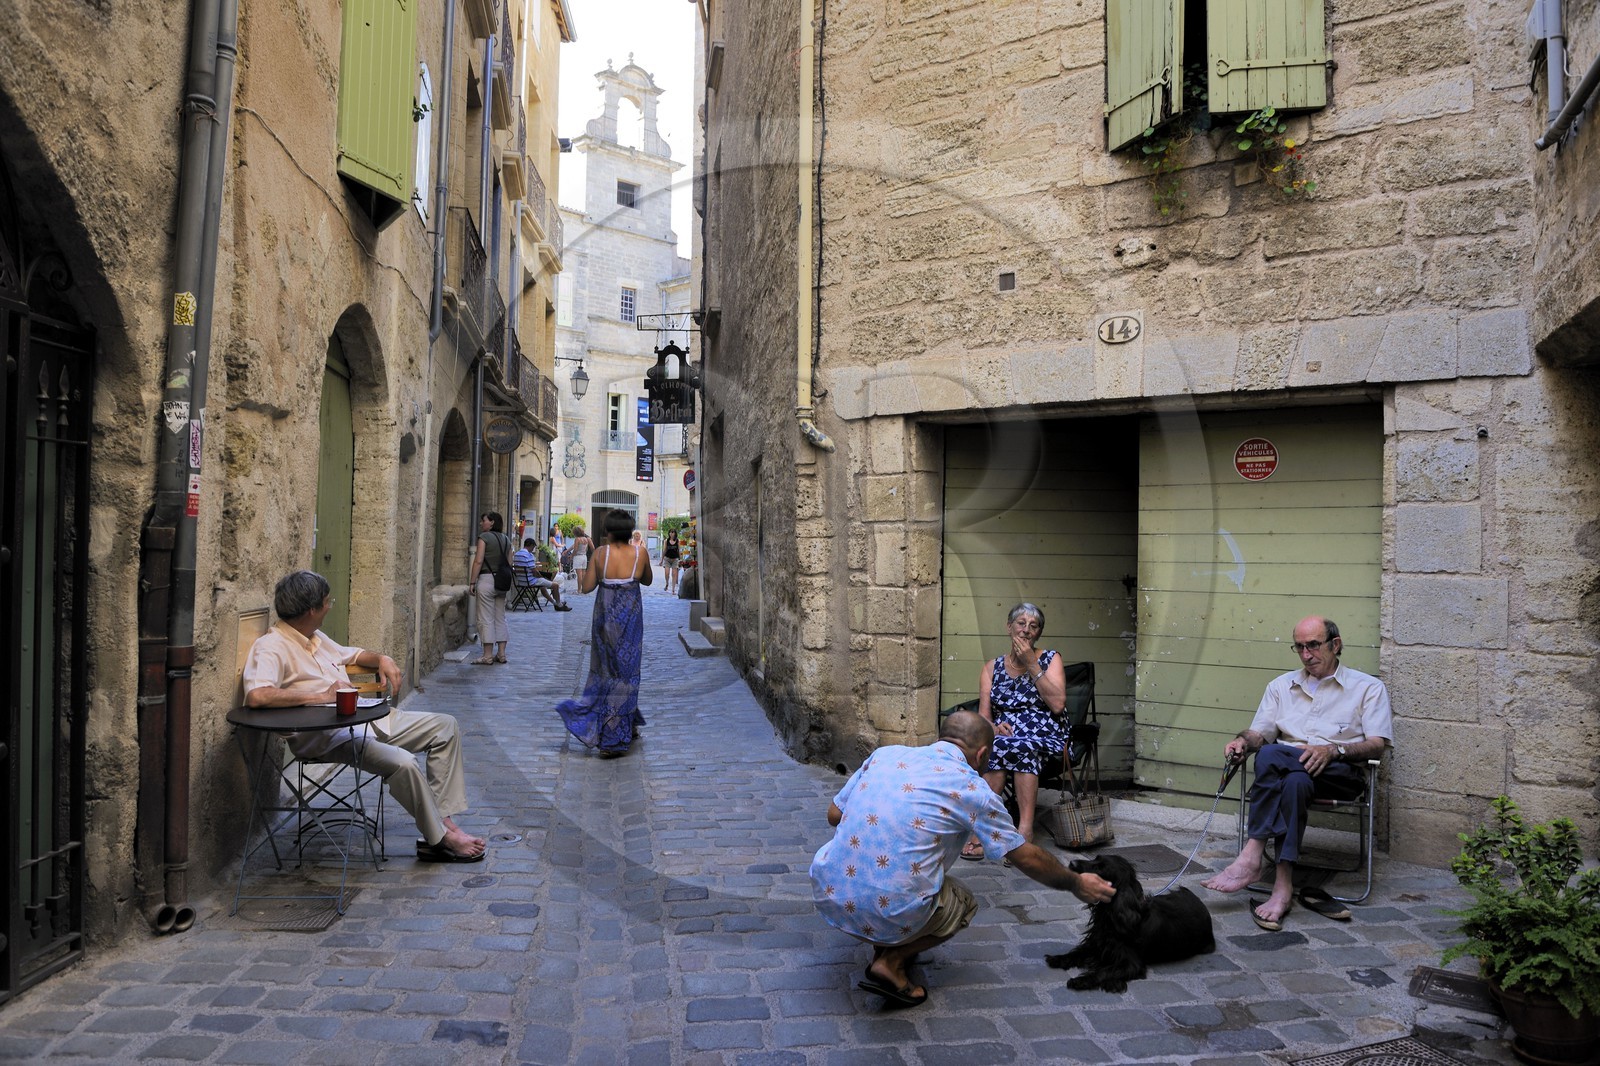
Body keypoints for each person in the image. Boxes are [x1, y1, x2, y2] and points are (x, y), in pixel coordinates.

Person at [810, 710, 1115, 1008]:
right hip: (889, 906)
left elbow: (834, 815)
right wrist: (1075, 882)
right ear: (982, 754)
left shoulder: (884, 755)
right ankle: (891, 960)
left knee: (898, 869)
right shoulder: (972, 790)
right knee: (962, 901)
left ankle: (884, 941)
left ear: (941, 737)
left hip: (831, 893)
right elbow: (1025, 857)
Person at [241, 570, 486, 862]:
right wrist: (321, 697)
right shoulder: (271, 647)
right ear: (311, 610)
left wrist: (382, 658)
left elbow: (353, 655)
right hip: (330, 737)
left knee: (445, 727)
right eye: (327, 602)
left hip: (365, 720)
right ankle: (441, 838)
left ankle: (442, 820)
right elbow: (258, 695)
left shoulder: (313, 637)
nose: (329, 606)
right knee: (404, 763)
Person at [1200, 616, 1393, 930]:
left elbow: (1377, 745)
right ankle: (1282, 886)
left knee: (1271, 754)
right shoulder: (1281, 686)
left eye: (1313, 645)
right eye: (1300, 647)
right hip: (1292, 775)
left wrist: (1333, 750)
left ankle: (1253, 852)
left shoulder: (1367, 688)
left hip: (1339, 773)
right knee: (1293, 780)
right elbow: (1259, 734)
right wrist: (1241, 741)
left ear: (1335, 645)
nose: (1306, 654)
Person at [962, 602, 1068, 860]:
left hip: (1044, 731)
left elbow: (1057, 705)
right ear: (1009, 627)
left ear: (1039, 633)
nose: (1026, 630)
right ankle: (984, 829)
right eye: (1021, 623)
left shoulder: (1050, 659)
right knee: (995, 746)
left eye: (1033, 626)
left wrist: (1032, 663)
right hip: (1006, 733)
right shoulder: (991, 668)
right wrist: (994, 727)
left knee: (1023, 746)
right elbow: (985, 716)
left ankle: (1025, 831)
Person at [555, 509, 652, 756]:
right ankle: (617, 734)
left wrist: (600, 573)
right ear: (629, 530)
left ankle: (615, 727)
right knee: (627, 673)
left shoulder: (600, 553)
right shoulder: (640, 553)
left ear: (608, 531)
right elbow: (648, 580)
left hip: (605, 621)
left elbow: (587, 587)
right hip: (630, 622)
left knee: (606, 672)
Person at [467, 512, 512, 664]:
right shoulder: (506, 539)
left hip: (487, 579)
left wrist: (472, 582)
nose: (481, 523)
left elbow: (478, 561)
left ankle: (487, 655)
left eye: (483, 520)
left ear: (492, 522)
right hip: (502, 581)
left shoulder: (484, 537)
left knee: (485, 617)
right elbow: (509, 563)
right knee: (500, 617)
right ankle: (502, 654)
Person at [512, 537, 572, 611]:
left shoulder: (517, 554)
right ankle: (559, 605)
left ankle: (554, 603)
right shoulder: (529, 555)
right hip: (530, 581)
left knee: (542, 586)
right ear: (531, 545)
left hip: (521, 581)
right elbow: (534, 571)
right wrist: (541, 577)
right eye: (533, 547)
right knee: (555, 585)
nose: (533, 549)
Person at [662, 528, 681, 594]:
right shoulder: (666, 541)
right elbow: (664, 550)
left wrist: (680, 559)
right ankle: (667, 583)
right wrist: (661, 560)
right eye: (670, 532)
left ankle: (673, 589)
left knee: (674, 574)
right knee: (667, 573)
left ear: (675, 533)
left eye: (673, 532)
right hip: (667, 559)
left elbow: (679, 550)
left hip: (675, 559)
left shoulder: (678, 541)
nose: (671, 533)